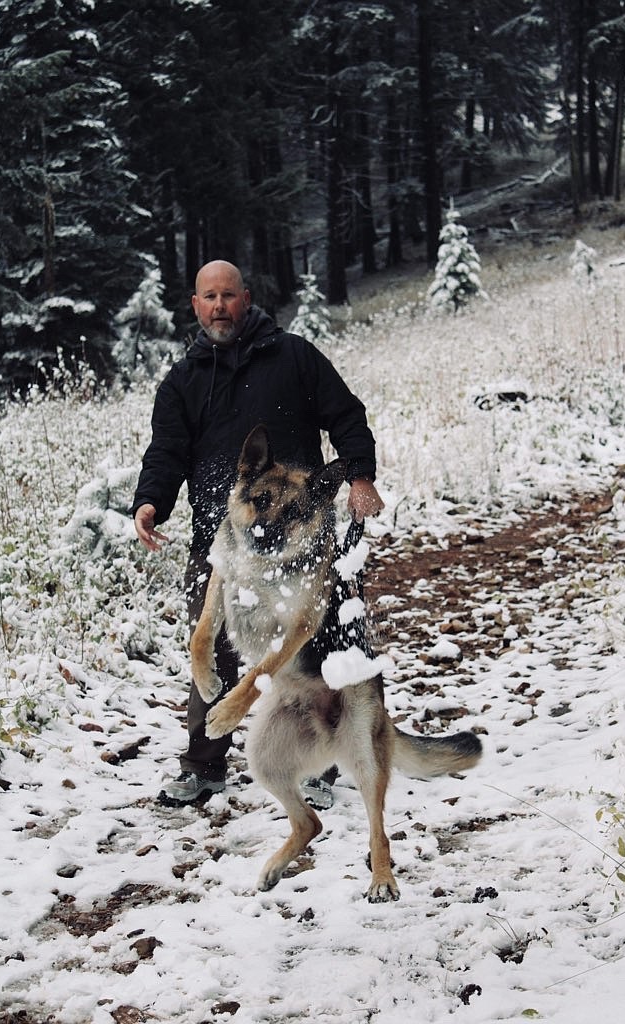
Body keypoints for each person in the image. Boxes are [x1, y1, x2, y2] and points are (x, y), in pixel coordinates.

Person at [132, 259, 384, 807]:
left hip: (305, 539)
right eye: (209, 297)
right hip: (221, 540)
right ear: (194, 306)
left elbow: (346, 414)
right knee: (214, 650)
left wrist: (360, 474)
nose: (219, 306)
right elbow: (167, 450)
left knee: (325, 648)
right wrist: (151, 500)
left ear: (246, 298)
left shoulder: (293, 356)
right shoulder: (183, 379)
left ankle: (322, 761)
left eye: (228, 295)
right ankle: (203, 766)